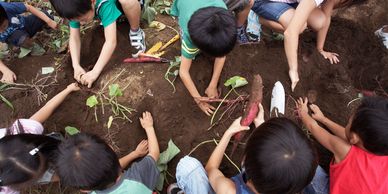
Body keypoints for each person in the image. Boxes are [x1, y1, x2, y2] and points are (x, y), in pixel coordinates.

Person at [168, 104, 318, 194]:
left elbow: (211, 169)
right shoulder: (287, 183)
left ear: (245, 158)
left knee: (188, 166)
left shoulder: (228, 190)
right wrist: (261, 124)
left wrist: (228, 133)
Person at [251, 0, 367, 91]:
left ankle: (286, 16)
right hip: (263, 2)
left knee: (319, 21)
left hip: (290, 2)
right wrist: (293, 70)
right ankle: (256, 18)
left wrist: (320, 49)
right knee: (299, 27)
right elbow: (290, 33)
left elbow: (326, 18)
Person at [170, 0, 253, 116]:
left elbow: (221, 54)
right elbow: (183, 72)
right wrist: (198, 100)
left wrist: (213, 84)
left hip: (198, 6)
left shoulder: (222, 12)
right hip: (183, 6)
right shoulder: (189, 36)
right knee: (190, 51)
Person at [0, 83, 80, 194]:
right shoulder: (7, 190)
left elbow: (47, 108)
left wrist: (68, 89)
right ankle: (70, 176)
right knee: (53, 175)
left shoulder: (20, 132)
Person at [297, 96, 388, 193]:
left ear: (354, 138)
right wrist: (323, 119)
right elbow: (348, 137)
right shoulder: (381, 147)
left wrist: (302, 113)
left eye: (349, 123)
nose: (347, 125)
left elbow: (313, 128)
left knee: (300, 160)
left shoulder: (344, 150)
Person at [56, 112, 160, 194]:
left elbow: (109, 170)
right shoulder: (138, 177)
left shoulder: (91, 189)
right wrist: (149, 127)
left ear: (85, 190)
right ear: (111, 148)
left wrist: (135, 154)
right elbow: (154, 153)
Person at [49, 0, 145, 88]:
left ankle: (135, 31)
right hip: (106, 6)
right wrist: (76, 65)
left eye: (84, 19)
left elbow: (111, 41)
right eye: (77, 21)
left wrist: (95, 72)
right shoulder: (75, 7)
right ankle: (114, 15)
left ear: (93, 1)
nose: (81, 24)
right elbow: (74, 36)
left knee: (127, 2)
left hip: (132, 2)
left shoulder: (104, 3)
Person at [0, 1, 57, 83]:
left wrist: (48, 21)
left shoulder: (6, 7)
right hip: (14, 37)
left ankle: (56, 24)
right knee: (22, 39)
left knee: (43, 15)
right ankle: (38, 52)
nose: (1, 31)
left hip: (23, 24)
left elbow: (29, 7)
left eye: (4, 26)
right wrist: (5, 70)